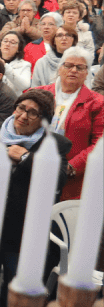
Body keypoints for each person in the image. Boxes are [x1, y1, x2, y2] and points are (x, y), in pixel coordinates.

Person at [0, 89, 71, 307]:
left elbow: (58, 178)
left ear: (43, 120)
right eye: (20, 108)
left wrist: (24, 157)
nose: (23, 115)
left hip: (22, 222)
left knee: (15, 275)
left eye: (32, 113)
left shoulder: (55, 144)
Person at [40, 47, 103, 200]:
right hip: (34, 169)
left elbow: (99, 144)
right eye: (68, 65)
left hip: (72, 180)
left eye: (80, 67)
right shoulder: (40, 94)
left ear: (87, 73)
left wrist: (70, 167)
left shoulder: (97, 103)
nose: (73, 70)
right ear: (60, 68)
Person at [31, 24, 79, 89]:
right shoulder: (42, 63)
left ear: (74, 40)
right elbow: (35, 89)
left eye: (68, 35)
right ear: (54, 41)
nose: (64, 38)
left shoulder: (81, 61)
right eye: (60, 35)